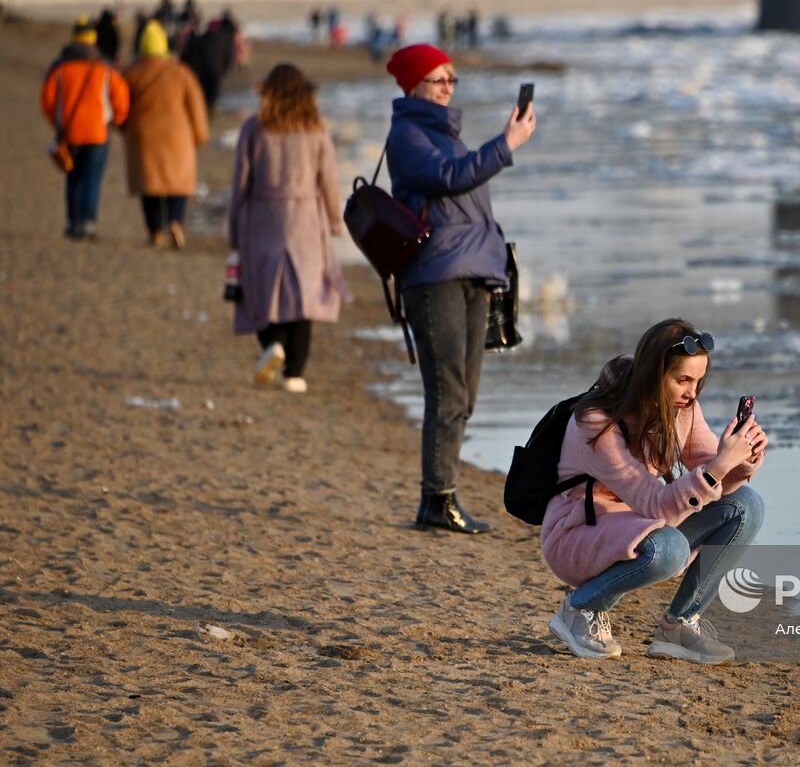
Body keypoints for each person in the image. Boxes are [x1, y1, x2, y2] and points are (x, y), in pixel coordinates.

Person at [542, 320, 767, 664]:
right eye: (683, 380)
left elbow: (712, 472)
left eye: (698, 381)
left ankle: (678, 626)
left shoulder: (682, 409)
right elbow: (655, 506)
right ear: (653, 375)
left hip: (638, 527)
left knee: (746, 504)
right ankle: (581, 607)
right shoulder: (596, 422)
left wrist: (743, 460)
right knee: (670, 547)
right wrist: (720, 467)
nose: (693, 393)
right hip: (578, 535)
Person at [383, 43, 536, 533]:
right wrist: (505, 144)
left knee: (466, 394)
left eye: (452, 79)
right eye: (439, 79)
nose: (448, 87)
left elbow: (470, 205)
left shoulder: (444, 134)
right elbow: (449, 179)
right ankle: (437, 499)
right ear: (414, 86)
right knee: (448, 392)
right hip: (434, 276)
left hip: (472, 271)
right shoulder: (407, 135)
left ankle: (443, 496)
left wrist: (495, 271)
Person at [228, 64, 351, 393]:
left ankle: (273, 344)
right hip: (306, 220)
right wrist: (336, 220)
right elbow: (329, 179)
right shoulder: (315, 129)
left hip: (262, 216)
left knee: (263, 287)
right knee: (304, 294)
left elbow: (240, 182)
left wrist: (233, 227)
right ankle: (295, 373)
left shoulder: (254, 129)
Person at [121, 21, 209, 249]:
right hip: (178, 137)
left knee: (148, 186)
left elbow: (120, 107)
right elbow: (196, 106)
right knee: (177, 184)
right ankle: (176, 222)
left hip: (143, 138)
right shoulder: (181, 72)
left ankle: (155, 230)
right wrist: (200, 135)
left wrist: (124, 128)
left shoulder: (131, 73)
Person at [40, 18, 130, 240]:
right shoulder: (104, 68)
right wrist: (117, 121)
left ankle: (73, 221)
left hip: (69, 131)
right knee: (92, 178)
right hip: (98, 132)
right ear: (93, 40)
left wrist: (58, 122)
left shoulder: (60, 69)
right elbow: (121, 99)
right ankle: (88, 222)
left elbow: (47, 100)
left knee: (73, 177)